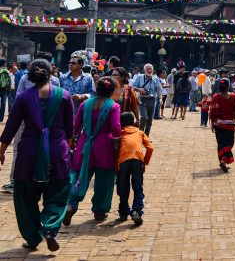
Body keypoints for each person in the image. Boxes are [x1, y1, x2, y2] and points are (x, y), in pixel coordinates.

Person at [0, 59, 73, 251]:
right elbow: (70, 130)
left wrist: (1, 151)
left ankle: (33, 237)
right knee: (58, 193)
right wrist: (66, 149)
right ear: (51, 74)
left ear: (29, 76)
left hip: (29, 153)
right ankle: (49, 228)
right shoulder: (65, 96)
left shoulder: (22, 98)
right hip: (57, 151)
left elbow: (10, 128)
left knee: (25, 196)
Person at [65, 76, 121, 225]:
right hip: (104, 146)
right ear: (111, 91)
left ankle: (71, 205)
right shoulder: (113, 106)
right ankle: (99, 211)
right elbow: (116, 128)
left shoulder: (86, 103)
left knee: (78, 176)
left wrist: (71, 141)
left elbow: (76, 125)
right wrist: (119, 142)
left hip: (85, 144)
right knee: (104, 180)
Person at [116, 111, 154, 226]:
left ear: (120, 123)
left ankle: (123, 212)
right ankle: (137, 211)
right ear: (133, 122)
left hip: (123, 162)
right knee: (137, 187)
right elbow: (150, 148)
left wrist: (115, 166)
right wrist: (144, 162)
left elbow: (114, 151)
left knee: (123, 187)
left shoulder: (119, 134)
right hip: (137, 160)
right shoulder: (139, 132)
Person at [209, 78, 235, 172]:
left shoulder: (215, 97)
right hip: (230, 125)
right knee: (229, 143)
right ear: (228, 86)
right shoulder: (233, 96)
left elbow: (212, 111)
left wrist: (212, 124)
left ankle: (222, 160)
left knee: (221, 143)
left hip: (218, 124)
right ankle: (223, 160)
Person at [131, 64, 165, 134]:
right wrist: (139, 89)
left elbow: (159, 90)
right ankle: (140, 134)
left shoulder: (155, 79)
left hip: (152, 100)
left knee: (149, 120)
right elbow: (133, 87)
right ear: (144, 70)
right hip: (142, 100)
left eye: (151, 69)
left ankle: (146, 136)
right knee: (144, 117)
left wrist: (160, 99)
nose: (149, 70)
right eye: (147, 69)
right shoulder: (140, 77)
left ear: (152, 70)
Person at [0, 58, 12, 122]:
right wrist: (9, 89)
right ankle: (1, 118)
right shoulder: (6, 71)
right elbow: (9, 80)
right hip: (4, 88)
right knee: (3, 103)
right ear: (4, 63)